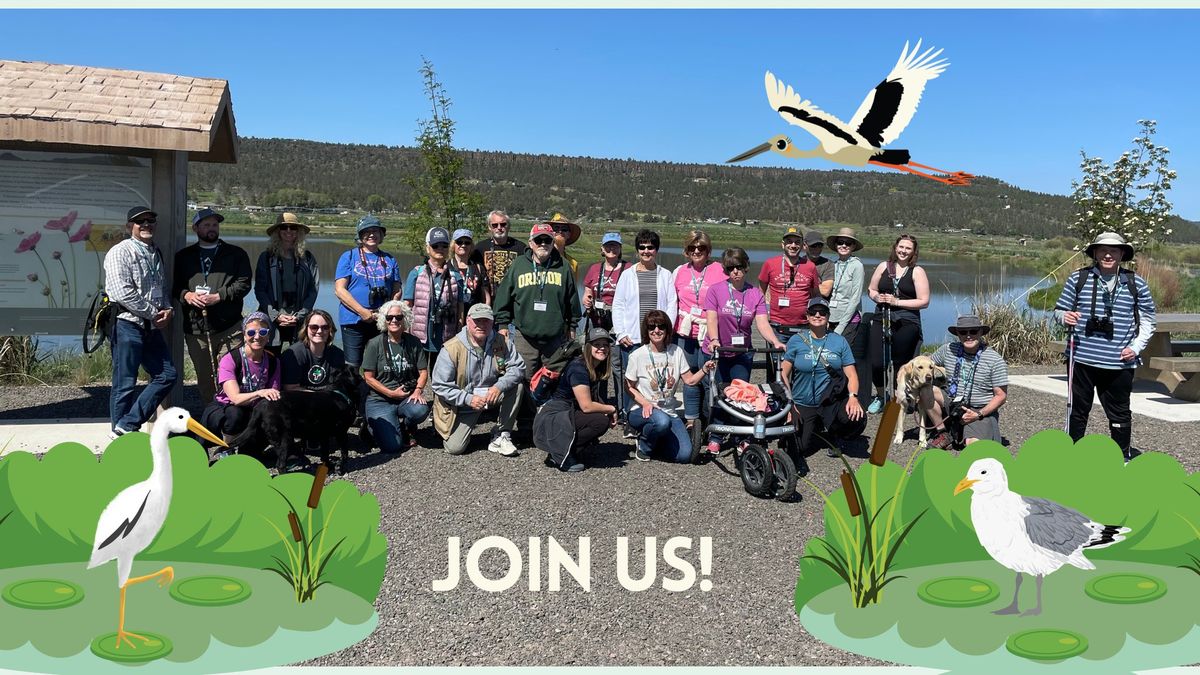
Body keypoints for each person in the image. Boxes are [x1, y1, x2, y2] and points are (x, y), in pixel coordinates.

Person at [1055, 232, 1156, 462]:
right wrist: (1065, 317)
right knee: (1077, 411)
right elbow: (1058, 310)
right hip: (1081, 359)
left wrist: (1136, 347)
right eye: (1102, 250)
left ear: (1122, 254)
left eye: (1113, 251)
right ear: (1095, 253)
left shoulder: (1135, 283)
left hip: (1119, 361)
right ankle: (1071, 457)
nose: (1108, 255)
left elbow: (1149, 320)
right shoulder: (1078, 278)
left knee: (1119, 413)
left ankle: (1122, 459)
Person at [103, 206, 179, 438]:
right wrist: (153, 313)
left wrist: (167, 309)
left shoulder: (155, 252)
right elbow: (121, 292)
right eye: (140, 222)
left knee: (167, 375)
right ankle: (121, 436)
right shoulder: (120, 251)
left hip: (151, 326)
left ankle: (127, 424)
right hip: (127, 324)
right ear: (129, 227)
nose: (146, 225)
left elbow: (160, 289)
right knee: (125, 383)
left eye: (150, 221)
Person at [702, 247, 785, 453]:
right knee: (720, 394)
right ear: (726, 270)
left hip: (741, 352)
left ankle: (741, 436)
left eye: (739, 267)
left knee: (741, 395)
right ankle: (716, 435)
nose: (735, 272)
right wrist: (714, 339)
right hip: (719, 350)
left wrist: (775, 342)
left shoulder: (754, 293)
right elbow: (711, 317)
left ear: (746, 267)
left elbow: (762, 323)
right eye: (730, 268)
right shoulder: (716, 290)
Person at [173, 207, 253, 404]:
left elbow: (244, 284)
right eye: (206, 225)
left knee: (230, 374)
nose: (211, 228)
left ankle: (232, 416)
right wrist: (188, 295)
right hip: (196, 329)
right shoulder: (184, 256)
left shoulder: (236, 254)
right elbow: (174, 287)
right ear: (196, 228)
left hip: (230, 328)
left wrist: (219, 297)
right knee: (206, 377)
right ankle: (212, 415)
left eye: (215, 225)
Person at [493, 223, 582, 393]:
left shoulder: (563, 266)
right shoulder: (519, 265)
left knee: (553, 377)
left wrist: (572, 326)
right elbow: (504, 296)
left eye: (547, 240)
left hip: (555, 336)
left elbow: (572, 300)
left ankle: (548, 415)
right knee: (523, 377)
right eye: (538, 240)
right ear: (531, 242)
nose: (543, 244)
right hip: (524, 336)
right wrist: (503, 325)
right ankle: (526, 417)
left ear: (552, 242)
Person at [431, 303, 526, 456]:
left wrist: (499, 386)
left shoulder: (502, 341)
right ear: (468, 321)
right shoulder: (451, 348)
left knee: (517, 386)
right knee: (455, 448)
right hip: (463, 403)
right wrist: (468, 399)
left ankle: (502, 434)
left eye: (486, 321)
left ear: (492, 322)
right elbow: (439, 386)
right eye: (477, 321)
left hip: (491, 395)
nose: (481, 325)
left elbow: (518, 367)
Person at [625, 310, 715, 463]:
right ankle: (644, 446)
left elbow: (690, 381)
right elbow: (628, 387)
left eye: (661, 326)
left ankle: (658, 441)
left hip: (668, 411)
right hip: (642, 410)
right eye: (652, 327)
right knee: (661, 422)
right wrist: (645, 403)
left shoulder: (676, 351)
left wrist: (705, 369)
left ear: (667, 329)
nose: (656, 330)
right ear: (646, 331)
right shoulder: (638, 355)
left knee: (685, 456)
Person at [781, 298, 866, 457]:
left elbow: (851, 374)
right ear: (807, 316)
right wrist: (789, 405)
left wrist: (853, 397)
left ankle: (837, 435)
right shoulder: (796, 341)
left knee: (855, 417)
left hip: (830, 401)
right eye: (813, 312)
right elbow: (783, 374)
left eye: (822, 312)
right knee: (798, 448)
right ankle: (815, 426)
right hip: (802, 402)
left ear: (828, 316)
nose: (817, 315)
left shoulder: (839, 341)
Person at [612, 229, 678, 430]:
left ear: (656, 250)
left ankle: (656, 416)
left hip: (656, 336)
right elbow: (619, 305)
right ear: (637, 250)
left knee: (652, 379)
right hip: (632, 338)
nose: (646, 251)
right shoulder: (627, 275)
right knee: (630, 382)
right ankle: (629, 420)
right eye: (642, 247)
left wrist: (666, 332)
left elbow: (671, 305)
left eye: (650, 247)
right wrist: (621, 333)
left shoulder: (665, 275)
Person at [533, 328, 619, 473]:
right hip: (554, 414)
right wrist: (612, 409)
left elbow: (592, 397)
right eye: (596, 344)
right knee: (600, 422)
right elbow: (586, 406)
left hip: (568, 410)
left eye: (605, 344)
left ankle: (567, 450)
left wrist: (605, 407)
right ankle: (560, 453)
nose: (602, 348)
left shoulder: (595, 366)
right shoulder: (578, 368)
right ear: (587, 347)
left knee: (599, 417)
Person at [865, 234, 929, 413]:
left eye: (908, 248)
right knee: (877, 362)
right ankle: (880, 395)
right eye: (901, 247)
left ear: (913, 252)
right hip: (882, 317)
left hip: (907, 320)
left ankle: (899, 395)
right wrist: (877, 297)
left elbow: (924, 301)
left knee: (900, 361)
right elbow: (871, 289)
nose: (903, 251)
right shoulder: (883, 266)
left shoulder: (917, 271)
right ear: (895, 247)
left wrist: (897, 302)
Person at [199, 312, 282, 449]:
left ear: (268, 336)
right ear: (244, 335)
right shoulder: (230, 359)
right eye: (251, 332)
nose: (257, 337)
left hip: (254, 408)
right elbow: (235, 398)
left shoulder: (273, 362)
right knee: (235, 415)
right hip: (226, 407)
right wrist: (260, 392)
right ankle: (226, 447)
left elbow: (273, 394)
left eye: (262, 332)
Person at [926, 316, 1009, 449]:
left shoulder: (995, 360)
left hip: (979, 410)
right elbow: (925, 362)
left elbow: (1001, 396)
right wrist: (905, 374)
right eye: (963, 332)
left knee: (974, 447)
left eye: (973, 331)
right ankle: (943, 433)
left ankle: (968, 433)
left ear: (981, 333)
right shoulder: (948, 350)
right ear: (958, 334)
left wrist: (978, 414)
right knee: (925, 390)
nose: (968, 336)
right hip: (954, 402)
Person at [671, 230, 727, 429]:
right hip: (685, 334)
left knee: (709, 378)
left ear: (708, 250)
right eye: (692, 248)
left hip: (709, 333)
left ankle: (709, 419)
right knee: (689, 377)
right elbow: (672, 302)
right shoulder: (679, 271)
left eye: (701, 247)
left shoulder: (720, 270)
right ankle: (692, 420)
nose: (697, 251)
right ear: (686, 251)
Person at [362, 300, 431, 454]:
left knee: (420, 410)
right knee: (392, 447)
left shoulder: (413, 342)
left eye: (398, 317)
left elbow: (423, 372)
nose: (394, 320)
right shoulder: (374, 344)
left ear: (404, 319)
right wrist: (390, 393)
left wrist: (418, 390)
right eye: (389, 317)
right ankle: (372, 427)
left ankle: (406, 427)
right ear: (384, 320)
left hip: (407, 396)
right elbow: (368, 377)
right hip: (380, 400)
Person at [334, 215, 402, 367]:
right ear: (359, 235)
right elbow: (339, 290)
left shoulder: (390, 259)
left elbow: (397, 290)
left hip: (381, 320)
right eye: (367, 231)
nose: (371, 235)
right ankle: (353, 392)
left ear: (381, 235)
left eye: (376, 231)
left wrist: (386, 312)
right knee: (352, 366)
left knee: (380, 365)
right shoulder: (348, 257)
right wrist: (362, 311)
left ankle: (377, 391)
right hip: (353, 321)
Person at [255, 211, 319, 354]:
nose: (288, 231)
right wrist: (275, 315)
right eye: (284, 227)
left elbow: (313, 289)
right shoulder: (266, 258)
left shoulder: (307, 258)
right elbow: (260, 290)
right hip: (271, 318)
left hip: (298, 318)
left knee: (299, 359)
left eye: (293, 227)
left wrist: (300, 315)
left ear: (298, 232)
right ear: (277, 231)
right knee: (270, 359)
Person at [403, 227, 462, 355]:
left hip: (446, 336)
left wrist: (459, 329)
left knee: (442, 374)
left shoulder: (456, 276)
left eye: (444, 245)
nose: (440, 249)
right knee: (418, 373)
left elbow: (460, 307)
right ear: (427, 248)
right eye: (435, 245)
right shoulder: (416, 273)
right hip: (418, 337)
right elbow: (407, 305)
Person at [758, 225, 821, 337]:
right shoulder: (770, 264)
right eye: (789, 242)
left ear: (802, 245)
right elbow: (760, 292)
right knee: (777, 354)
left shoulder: (810, 267)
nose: (793, 245)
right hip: (777, 326)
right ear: (783, 244)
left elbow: (816, 295)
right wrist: (764, 313)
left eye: (797, 242)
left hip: (803, 326)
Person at [281, 309, 347, 392]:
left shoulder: (337, 354)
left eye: (325, 327)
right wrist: (317, 396)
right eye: (314, 327)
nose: (319, 331)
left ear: (330, 330)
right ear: (306, 329)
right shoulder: (294, 354)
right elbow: (290, 388)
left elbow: (337, 385)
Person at [582, 232, 630, 333]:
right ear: (602, 249)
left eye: (615, 245)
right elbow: (587, 293)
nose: (611, 248)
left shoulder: (629, 268)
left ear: (620, 248)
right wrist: (586, 301)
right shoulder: (594, 268)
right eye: (608, 245)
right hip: (596, 319)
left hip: (621, 321)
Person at [825, 227, 865, 344]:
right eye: (840, 242)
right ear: (836, 245)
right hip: (831, 317)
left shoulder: (857, 265)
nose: (844, 245)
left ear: (853, 246)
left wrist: (841, 326)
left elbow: (855, 298)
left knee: (842, 353)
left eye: (848, 243)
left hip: (849, 320)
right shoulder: (833, 264)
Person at [472, 209, 527, 291]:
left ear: (508, 226)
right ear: (489, 227)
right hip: (487, 297)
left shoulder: (521, 248)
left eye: (503, 224)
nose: (499, 228)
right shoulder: (480, 248)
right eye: (494, 225)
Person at [449, 228, 490, 310]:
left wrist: (485, 314)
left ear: (471, 246)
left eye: (467, 243)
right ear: (453, 245)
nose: (463, 245)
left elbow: (486, 297)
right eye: (459, 242)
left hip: (475, 317)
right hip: (452, 316)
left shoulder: (478, 268)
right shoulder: (447, 267)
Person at [805, 228, 836, 298]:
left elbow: (825, 291)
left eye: (820, 245)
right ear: (804, 245)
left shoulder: (828, 264)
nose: (817, 249)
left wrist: (800, 284)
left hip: (819, 305)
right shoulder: (798, 262)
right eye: (813, 246)